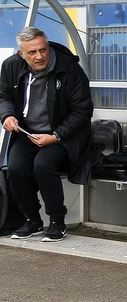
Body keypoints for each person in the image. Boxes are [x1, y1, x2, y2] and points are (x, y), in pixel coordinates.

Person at [0, 27, 94, 242]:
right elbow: (3, 96)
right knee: (15, 168)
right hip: (28, 134)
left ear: (48, 46)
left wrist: (56, 136)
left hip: (64, 136)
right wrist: (6, 116)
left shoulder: (69, 69)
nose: (40, 56)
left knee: (43, 165)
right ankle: (32, 220)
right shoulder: (11, 66)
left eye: (43, 49)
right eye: (32, 52)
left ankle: (57, 222)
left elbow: (83, 111)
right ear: (21, 54)